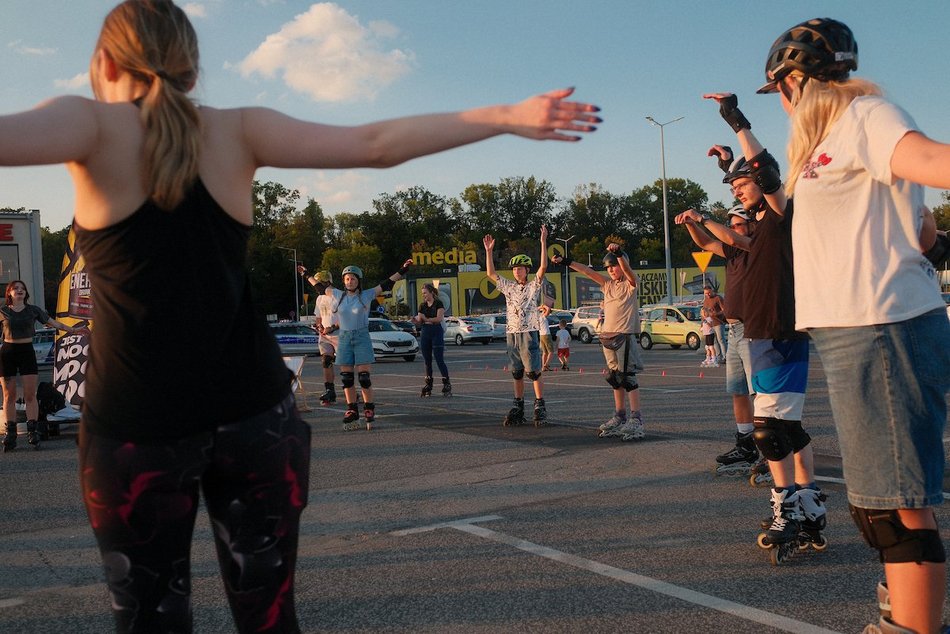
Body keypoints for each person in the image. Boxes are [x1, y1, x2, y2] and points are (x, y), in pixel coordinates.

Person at [0, 1, 601, 630]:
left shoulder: (88, 125)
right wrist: (506, 116)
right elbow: (374, 144)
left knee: (150, 620)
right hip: (255, 417)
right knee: (269, 617)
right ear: (191, 66)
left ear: (103, 61)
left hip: (137, 422)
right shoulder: (239, 128)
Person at [756, 17, 950, 633]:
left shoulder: (866, 115)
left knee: (898, 511)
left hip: (882, 326)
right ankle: (902, 614)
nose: (782, 105)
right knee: (878, 508)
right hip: (855, 331)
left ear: (794, 80)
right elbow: (919, 230)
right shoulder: (825, 142)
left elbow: (927, 161)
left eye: (780, 90)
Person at [683, 95, 826, 559]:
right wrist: (727, 169)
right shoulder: (757, 230)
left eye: (741, 187)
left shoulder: (782, 217)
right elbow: (732, 232)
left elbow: (764, 172)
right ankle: (809, 506)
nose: (736, 193)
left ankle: (787, 508)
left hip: (780, 331)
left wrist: (733, 120)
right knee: (788, 428)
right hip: (764, 332)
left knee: (769, 431)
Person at [675, 202, 758, 477]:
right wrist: (690, 224)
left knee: (760, 392)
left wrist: (702, 217)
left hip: (752, 329)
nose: (732, 230)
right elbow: (707, 241)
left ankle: (770, 450)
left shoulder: (754, 248)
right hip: (734, 330)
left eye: (738, 224)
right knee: (738, 390)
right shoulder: (733, 251)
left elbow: (730, 237)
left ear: (751, 227)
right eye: (731, 224)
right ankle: (746, 444)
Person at [553, 243, 644, 441]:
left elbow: (627, 270)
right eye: (608, 267)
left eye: (614, 265)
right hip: (608, 337)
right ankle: (620, 416)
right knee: (614, 378)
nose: (611, 270)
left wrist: (619, 254)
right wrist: (566, 261)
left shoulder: (631, 283)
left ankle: (636, 418)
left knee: (628, 377)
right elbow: (587, 271)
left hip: (625, 335)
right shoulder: (607, 285)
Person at [0, 280, 85, 452]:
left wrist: (75, 331)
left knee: (31, 395)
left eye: (22, 288)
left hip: (27, 352)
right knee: (9, 395)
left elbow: (55, 324)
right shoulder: (3, 311)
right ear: (9, 293)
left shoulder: (33, 310)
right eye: (16, 288)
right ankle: (11, 434)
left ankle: (33, 431)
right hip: (7, 353)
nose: (19, 291)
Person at [330, 260, 412, 429]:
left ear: (358, 280)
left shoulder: (366, 295)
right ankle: (352, 409)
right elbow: (319, 287)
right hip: (344, 337)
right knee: (346, 378)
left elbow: (387, 283)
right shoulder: (338, 295)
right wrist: (305, 274)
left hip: (361, 336)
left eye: (353, 278)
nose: (350, 281)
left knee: (364, 378)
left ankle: (369, 408)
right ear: (343, 281)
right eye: (347, 279)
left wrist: (403, 269)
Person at [483, 226, 551, 427]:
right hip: (512, 332)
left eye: (520, 268)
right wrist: (488, 252)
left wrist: (543, 242)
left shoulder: (532, 286)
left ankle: (539, 404)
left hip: (529, 331)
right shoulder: (509, 287)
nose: (516, 271)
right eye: (514, 268)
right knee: (517, 372)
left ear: (527, 270)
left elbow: (543, 267)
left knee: (533, 371)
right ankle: (518, 404)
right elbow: (490, 273)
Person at [298, 267, 339, 406]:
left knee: (347, 366)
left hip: (340, 334)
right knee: (326, 361)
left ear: (328, 282)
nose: (318, 286)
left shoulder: (336, 295)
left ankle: (352, 391)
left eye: (320, 283)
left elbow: (346, 317)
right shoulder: (320, 298)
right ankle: (329, 391)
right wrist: (320, 327)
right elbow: (318, 316)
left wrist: (333, 327)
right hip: (325, 336)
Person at [413, 282, 451, 397]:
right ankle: (428, 384)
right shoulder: (422, 305)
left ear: (432, 293)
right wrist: (417, 321)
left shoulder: (438, 303)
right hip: (426, 332)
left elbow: (439, 319)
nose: (423, 295)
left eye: (425, 293)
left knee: (439, 359)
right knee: (427, 360)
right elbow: (420, 320)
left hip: (436, 332)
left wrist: (426, 318)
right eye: (422, 293)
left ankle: (446, 383)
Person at [702, 284, 727, 364]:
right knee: (714, 341)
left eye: (709, 293)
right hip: (710, 324)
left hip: (718, 322)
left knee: (721, 340)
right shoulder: (706, 300)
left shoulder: (718, 298)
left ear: (712, 291)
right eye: (706, 293)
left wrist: (716, 313)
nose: (707, 295)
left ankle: (725, 357)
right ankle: (718, 356)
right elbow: (704, 311)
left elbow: (724, 309)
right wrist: (703, 323)